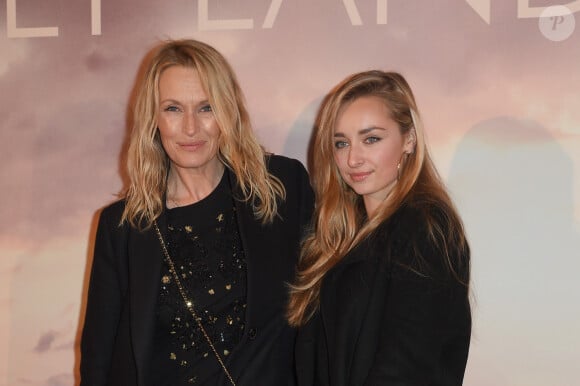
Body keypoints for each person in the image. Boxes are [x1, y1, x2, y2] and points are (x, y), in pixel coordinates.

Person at [80, 39, 314, 386]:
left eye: (206, 108)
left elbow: (325, 309)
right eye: (173, 109)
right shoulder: (123, 227)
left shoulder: (281, 188)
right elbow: (98, 363)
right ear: (153, 118)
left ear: (228, 111)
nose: (190, 128)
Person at [288, 70, 471, 385]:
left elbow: (407, 366)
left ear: (409, 140)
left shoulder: (424, 228)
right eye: (341, 143)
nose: (353, 158)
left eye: (371, 139)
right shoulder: (340, 233)